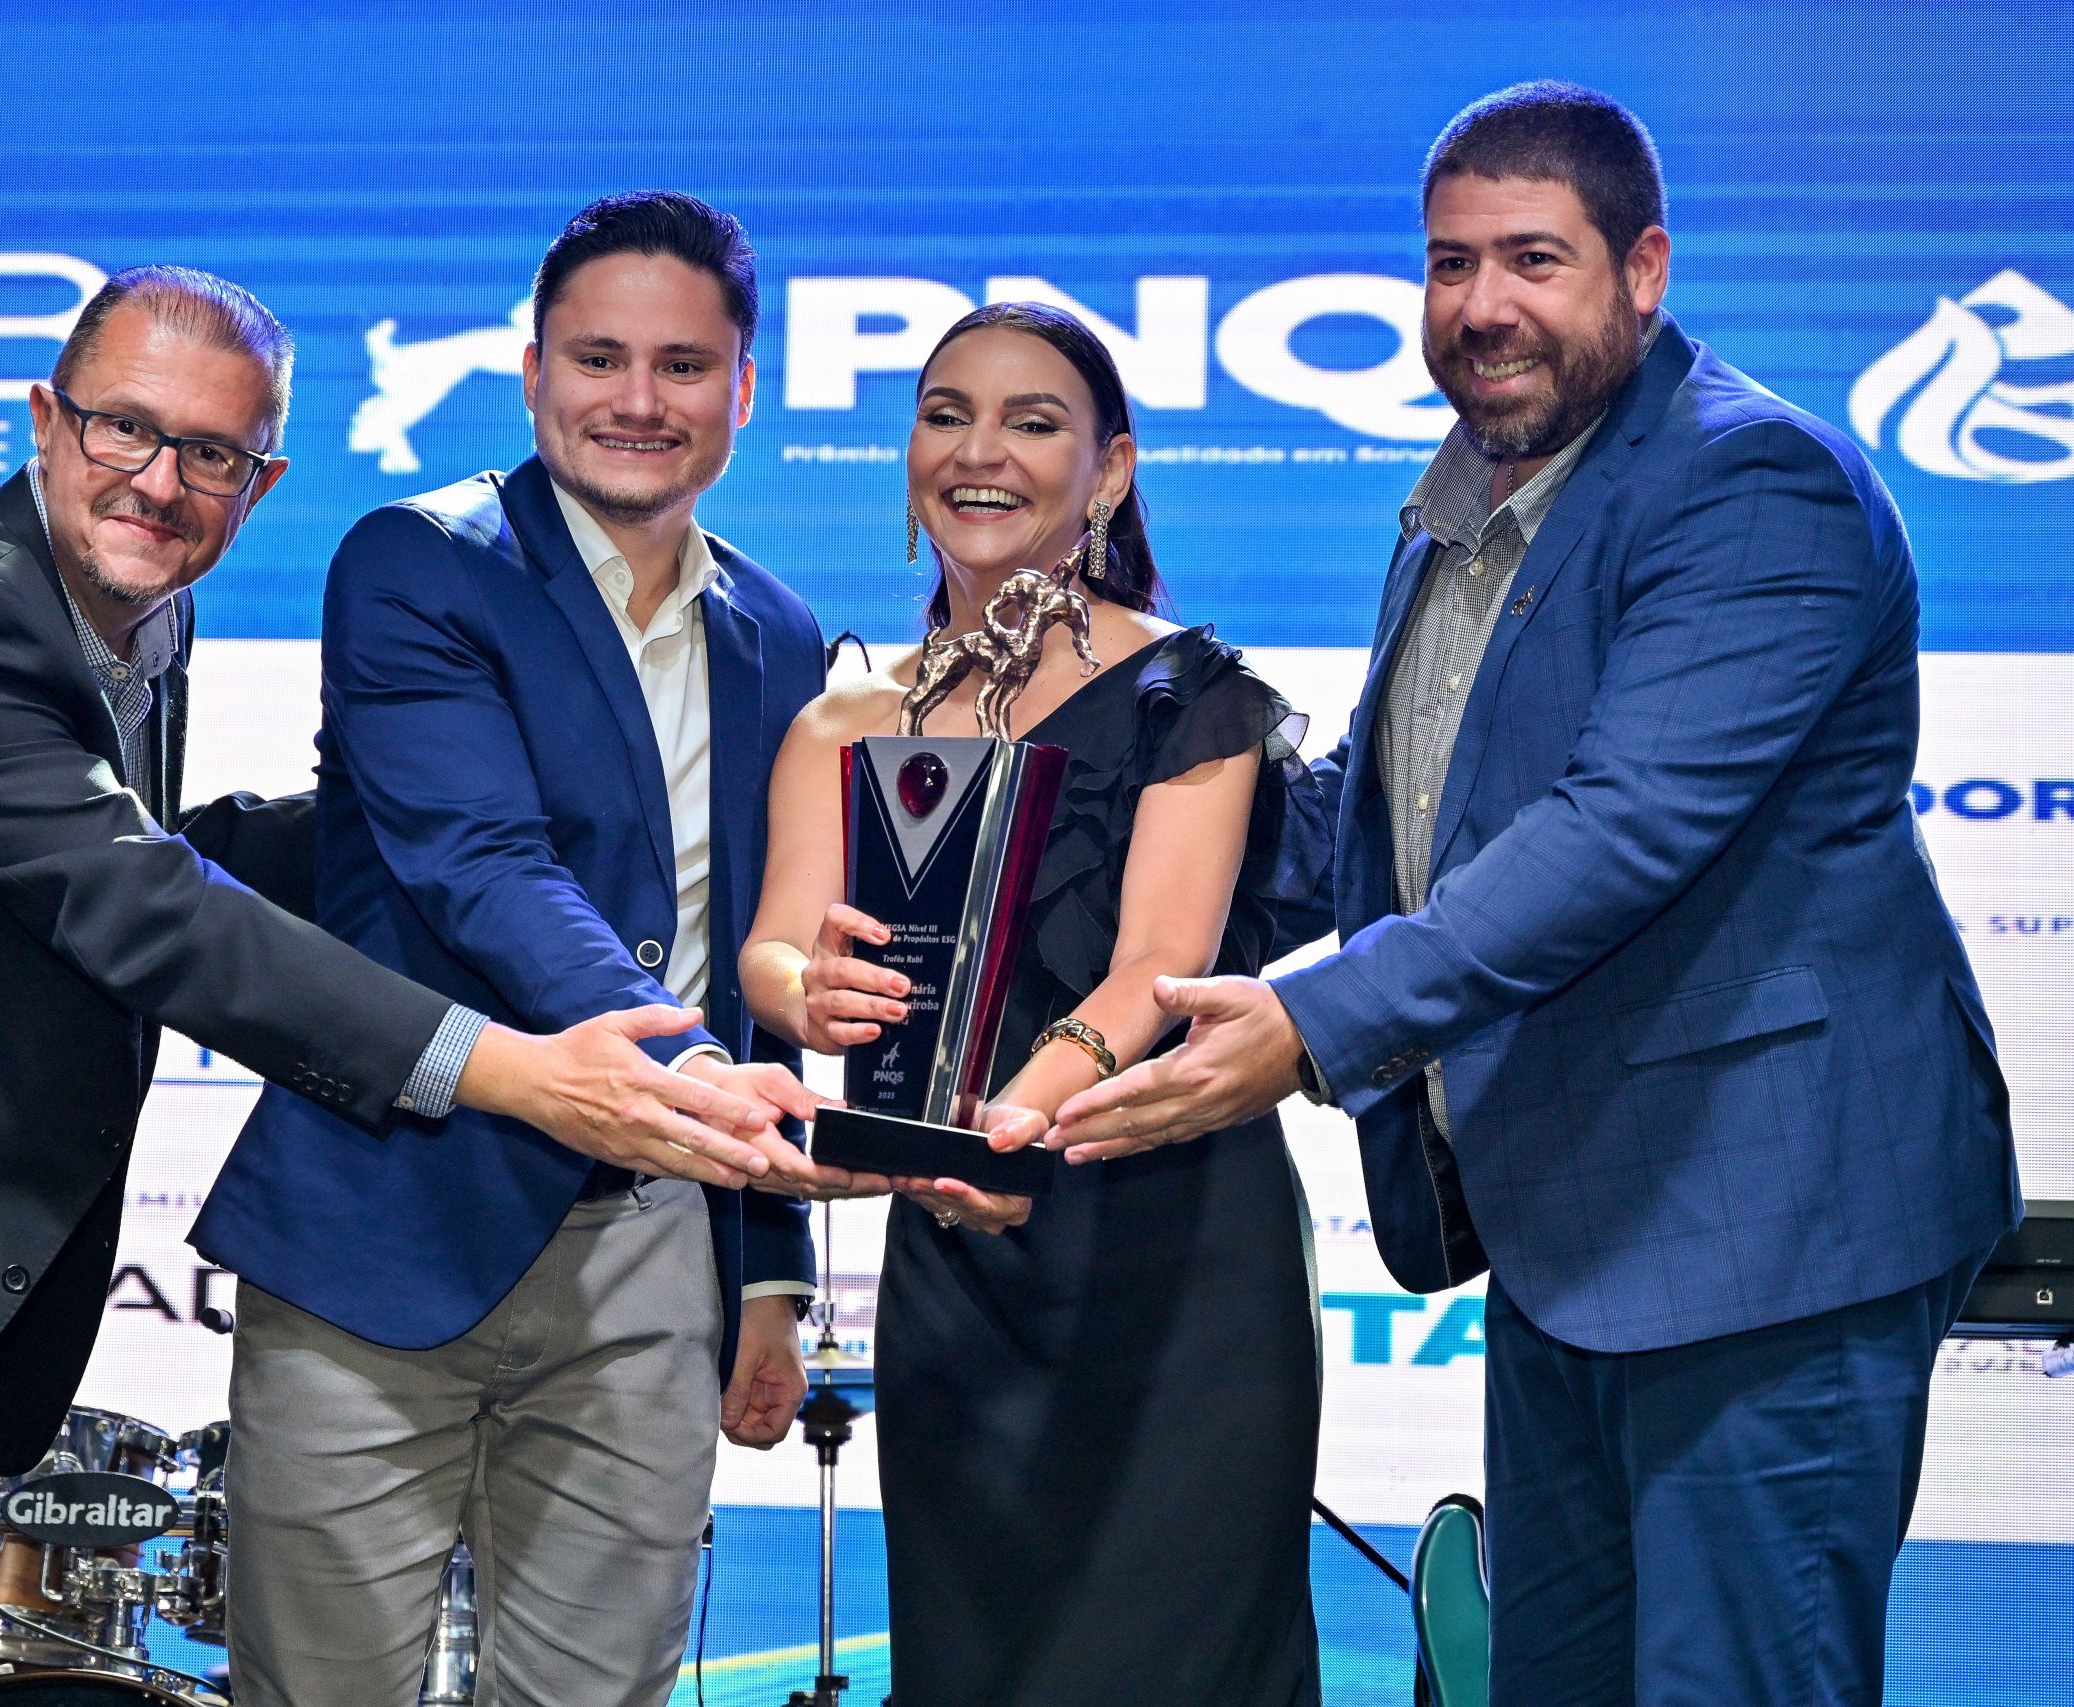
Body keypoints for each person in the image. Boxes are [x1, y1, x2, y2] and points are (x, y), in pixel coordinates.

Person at [0, 264, 787, 1707]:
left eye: (211, 454)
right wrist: (511, 1069)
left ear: (263, 481)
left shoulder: (128, 617)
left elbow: (155, 852)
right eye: (124, 428)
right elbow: (141, 903)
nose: (160, 482)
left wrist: (438, 812)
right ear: (46, 420)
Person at [1051, 84, 2021, 1706]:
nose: (1481, 305)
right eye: (1450, 263)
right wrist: (1060, 853)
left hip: (1772, 1222)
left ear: (1644, 269)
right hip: (1580, 1222)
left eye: (1532, 259)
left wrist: (1305, 1024)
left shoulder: (1751, 481)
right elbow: (1386, 820)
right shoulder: (1469, 500)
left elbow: (1619, 832)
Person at [191, 193, 854, 1707]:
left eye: (683, 365)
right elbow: (481, 867)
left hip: (650, 1262)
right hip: (386, 1228)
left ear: (744, 387)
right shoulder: (418, 564)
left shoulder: (780, 633)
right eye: (598, 358)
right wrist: (705, 1080)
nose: (638, 400)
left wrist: (766, 1268)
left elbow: (755, 945)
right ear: (535, 367)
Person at [741, 302, 1332, 1707]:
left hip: (1171, 1251)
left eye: (1033, 421)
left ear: (1109, 469)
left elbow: (1156, 969)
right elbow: (771, 952)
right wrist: (815, 990)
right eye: (946, 415)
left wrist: (997, 1126)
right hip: (961, 1267)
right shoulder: (844, 718)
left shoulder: (1191, 694)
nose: (979, 452)